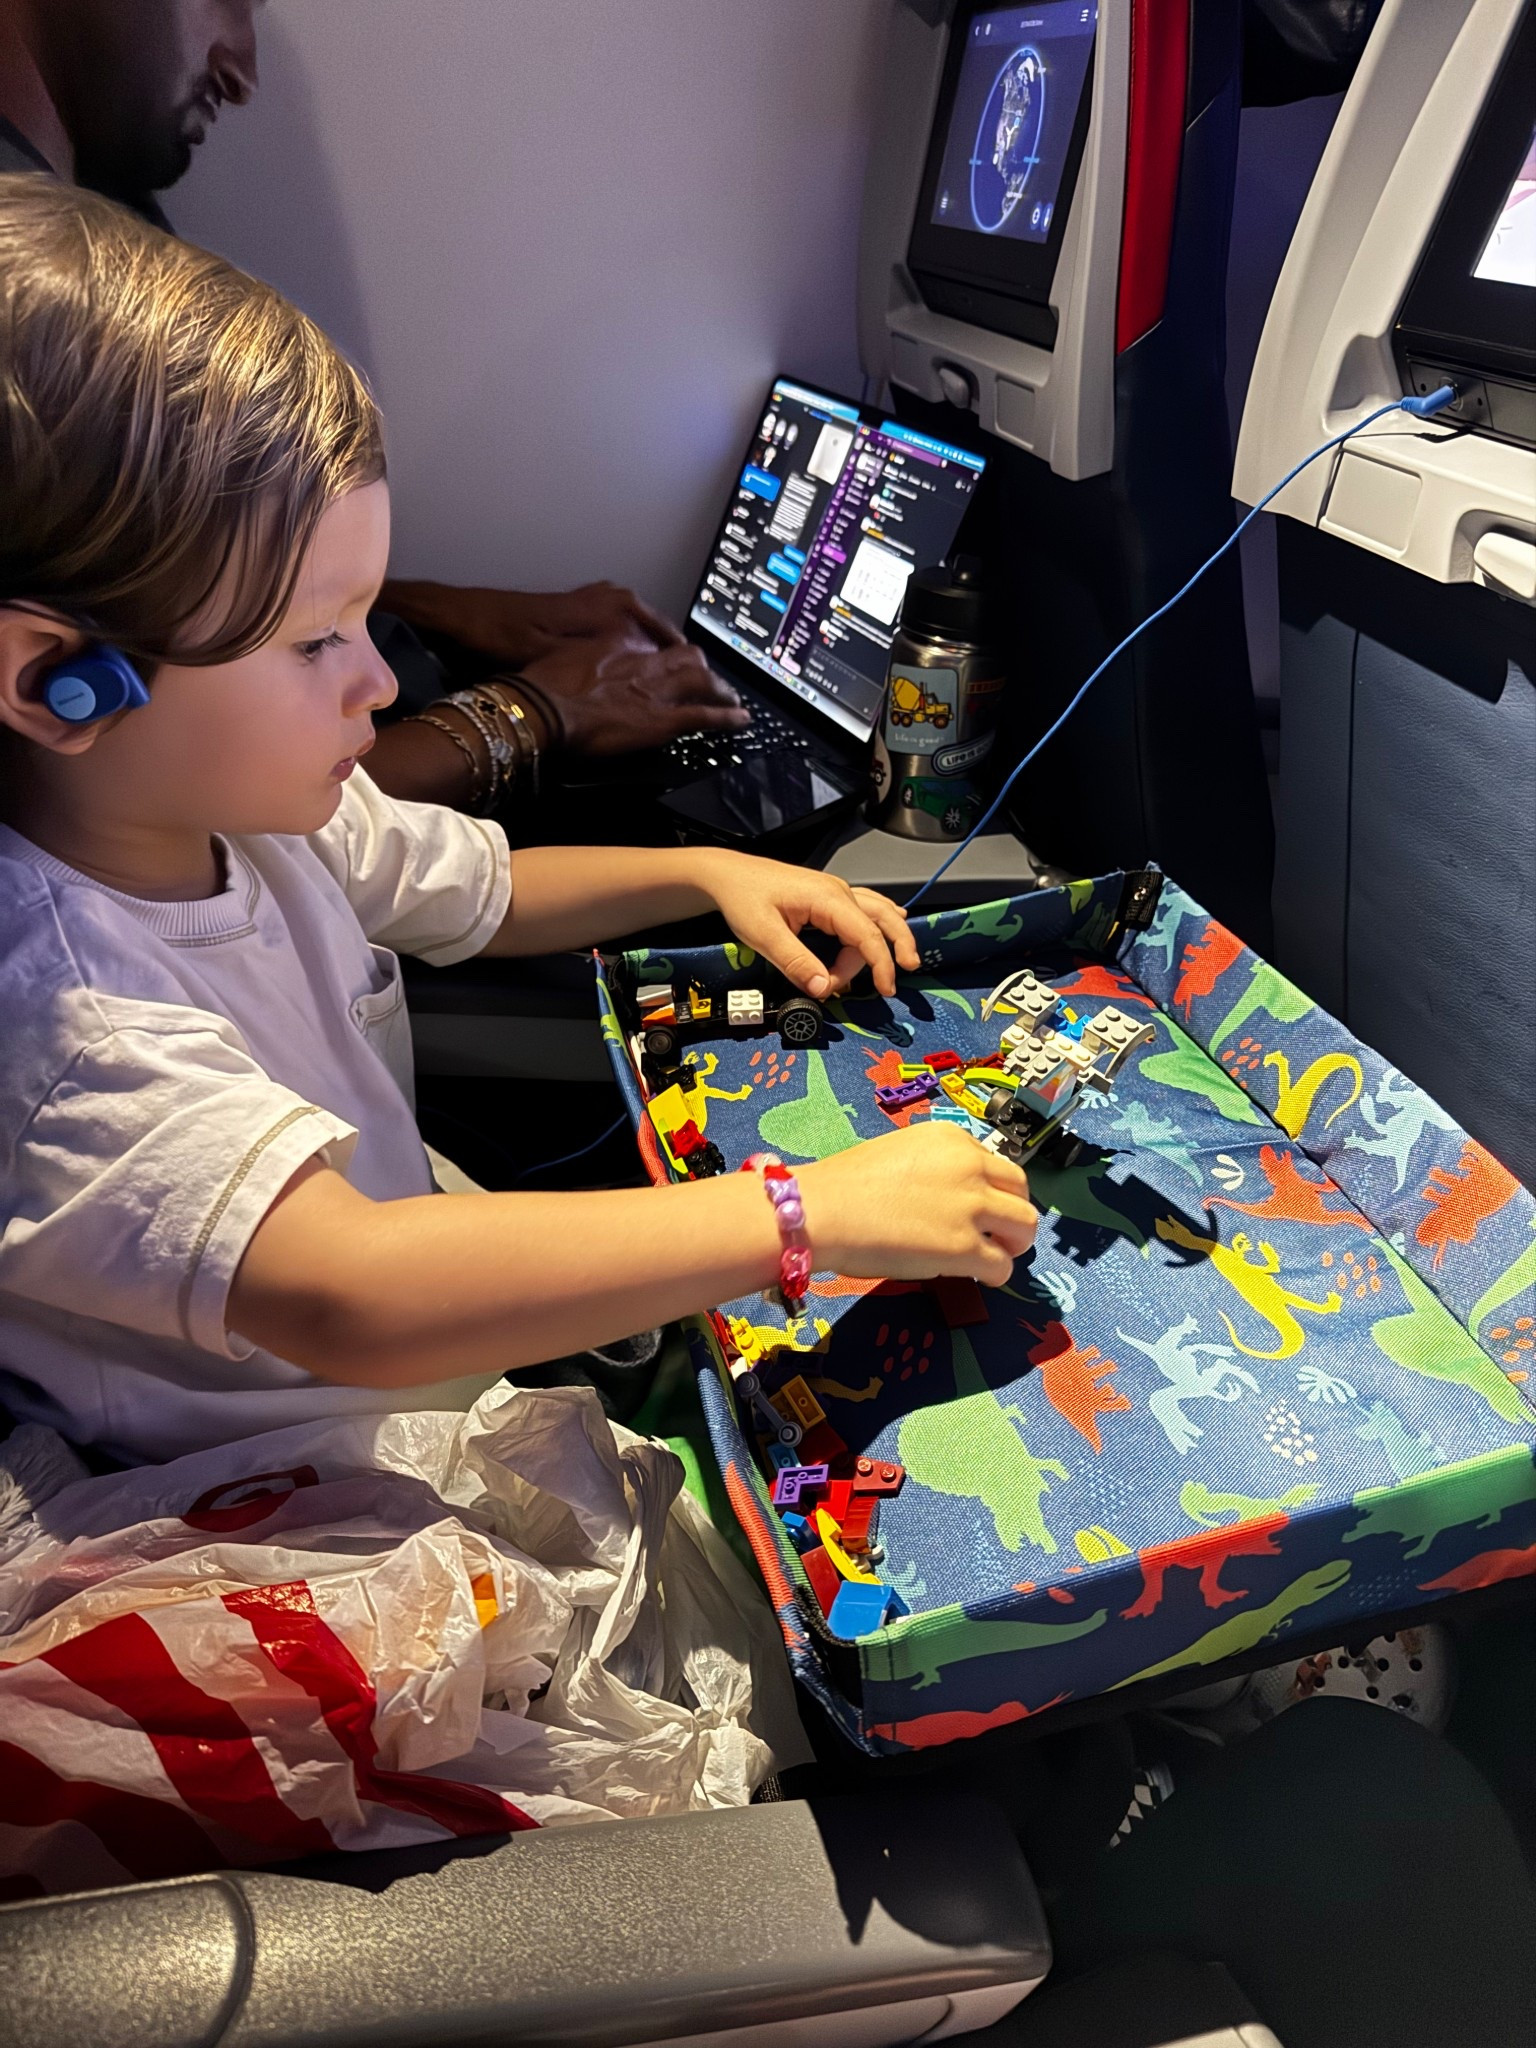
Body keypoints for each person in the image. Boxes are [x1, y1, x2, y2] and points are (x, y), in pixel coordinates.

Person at [0, 177, 1038, 1466]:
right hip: (299, 1499)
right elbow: (353, 1290)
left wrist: (711, 872)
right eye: (313, 640)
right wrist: (801, 1207)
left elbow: (485, 888)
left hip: (425, 1395)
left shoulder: (261, 821)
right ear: (60, 682)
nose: (377, 684)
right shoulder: (60, 1028)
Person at [0, 0, 751, 811]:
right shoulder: (33, 295)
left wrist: (445, 612)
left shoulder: (97, 213)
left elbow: (179, 583)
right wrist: (531, 714)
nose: (242, 71)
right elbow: (195, 804)